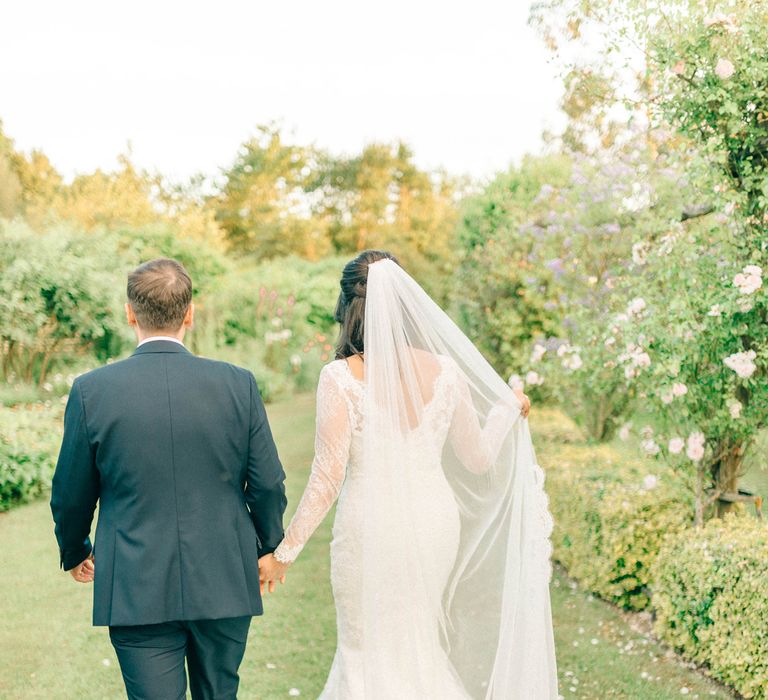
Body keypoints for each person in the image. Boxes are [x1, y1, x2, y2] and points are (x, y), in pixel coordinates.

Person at [259, 250, 558, 699]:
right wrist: (507, 408)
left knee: (365, 653)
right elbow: (477, 458)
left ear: (348, 306)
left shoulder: (339, 378)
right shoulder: (447, 372)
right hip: (434, 523)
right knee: (418, 648)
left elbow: (326, 479)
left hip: (369, 528)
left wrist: (284, 553)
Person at [50, 258, 287, 700]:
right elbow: (268, 483)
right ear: (190, 314)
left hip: (135, 584)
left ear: (130, 313)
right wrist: (270, 545)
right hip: (223, 577)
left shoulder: (92, 390)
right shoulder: (238, 384)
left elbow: (69, 492)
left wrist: (75, 549)